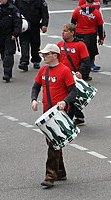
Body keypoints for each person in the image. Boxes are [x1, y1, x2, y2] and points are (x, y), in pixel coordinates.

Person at [31, 44, 77, 189]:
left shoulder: (65, 70)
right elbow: (36, 86)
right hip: (46, 112)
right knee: (53, 142)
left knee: (53, 143)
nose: (43, 56)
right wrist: (33, 99)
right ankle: (60, 171)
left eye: (46, 54)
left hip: (59, 114)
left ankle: (50, 176)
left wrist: (65, 101)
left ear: (55, 55)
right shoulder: (43, 70)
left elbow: (73, 91)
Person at [57, 23, 90, 126]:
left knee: (70, 99)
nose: (63, 33)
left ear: (72, 33)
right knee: (68, 98)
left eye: (65, 31)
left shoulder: (80, 45)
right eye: (63, 30)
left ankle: (68, 122)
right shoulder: (59, 45)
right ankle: (79, 117)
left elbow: (86, 61)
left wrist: (80, 72)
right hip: (62, 76)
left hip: (74, 77)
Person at [0, 0, 22, 82]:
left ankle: (7, 73)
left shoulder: (13, 9)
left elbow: (18, 22)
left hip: (10, 35)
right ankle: (8, 70)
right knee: (3, 53)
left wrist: (15, 34)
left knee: (8, 53)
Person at [71, 0, 104, 79]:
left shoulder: (77, 10)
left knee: (78, 54)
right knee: (89, 55)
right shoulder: (96, 13)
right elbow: (100, 26)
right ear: (93, 2)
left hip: (79, 35)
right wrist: (101, 38)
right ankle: (86, 75)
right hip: (91, 36)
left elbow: (72, 23)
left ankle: (77, 73)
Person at [15, 0, 49, 71]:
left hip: (35, 25)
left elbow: (44, 13)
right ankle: (24, 61)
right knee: (24, 43)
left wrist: (44, 24)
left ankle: (36, 60)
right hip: (23, 25)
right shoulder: (18, 1)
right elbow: (15, 12)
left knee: (35, 44)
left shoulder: (40, 1)